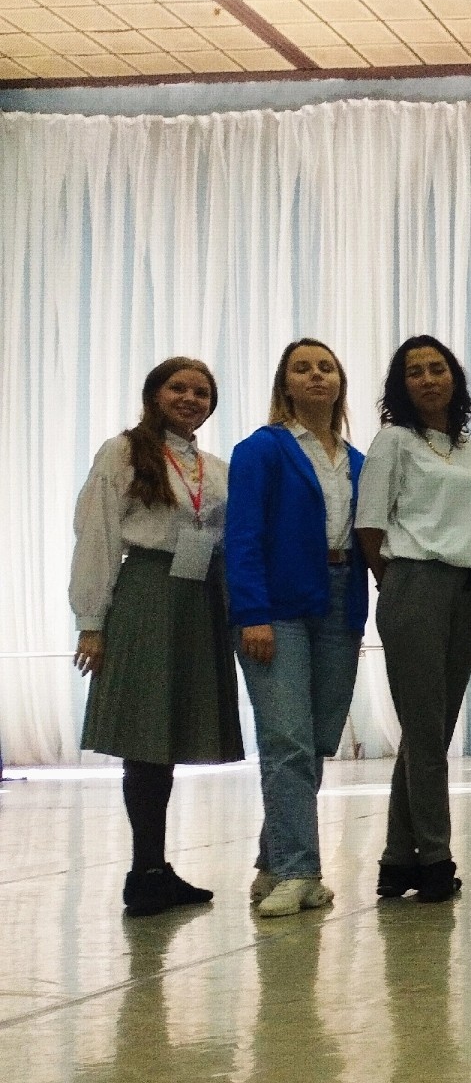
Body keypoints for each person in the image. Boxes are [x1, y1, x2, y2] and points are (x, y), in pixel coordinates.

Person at [71, 356, 244, 917]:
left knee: (170, 734)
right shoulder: (122, 452)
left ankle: (156, 868)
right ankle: (144, 870)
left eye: (201, 392)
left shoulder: (216, 469)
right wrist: (91, 622)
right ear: (154, 394)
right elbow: (96, 534)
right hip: (147, 592)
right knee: (146, 737)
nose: (190, 399)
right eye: (178, 388)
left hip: (200, 597)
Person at [227, 338, 368, 919]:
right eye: (302, 368)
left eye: (325, 368)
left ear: (339, 382)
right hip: (277, 608)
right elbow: (242, 536)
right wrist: (252, 614)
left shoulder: (357, 460)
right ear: (285, 384)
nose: (315, 376)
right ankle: (298, 870)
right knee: (286, 739)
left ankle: (272, 861)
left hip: (340, 601)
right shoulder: (261, 449)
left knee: (316, 741)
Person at [355, 334, 471, 904]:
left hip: (467, 587)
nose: (428, 379)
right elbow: (369, 524)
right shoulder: (393, 441)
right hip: (414, 583)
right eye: (415, 372)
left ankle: (395, 859)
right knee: (427, 732)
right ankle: (435, 857)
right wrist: (395, 584)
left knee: (428, 730)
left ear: (454, 378)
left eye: (437, 368)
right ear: (400, 385)